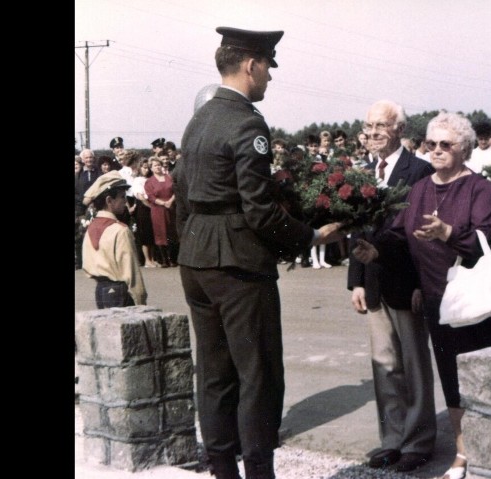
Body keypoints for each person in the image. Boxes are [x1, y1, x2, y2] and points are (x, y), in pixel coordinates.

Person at [176, 26, 343, 479]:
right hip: (238, 262)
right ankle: (259, 472)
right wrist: (309, 238)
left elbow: (184, 197)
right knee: (258, 374)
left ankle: (223, 470)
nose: (269, 76)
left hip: (197, 258)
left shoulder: (199, 119)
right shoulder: (246, 122)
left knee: (214, 373)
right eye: (268, 66)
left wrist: (190, 248)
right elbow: (260, 211)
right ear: (251, 64)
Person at [354, 111, 491, 479]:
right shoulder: (420, 189)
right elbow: (399, 233)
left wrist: (448, 233)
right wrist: (375, 251)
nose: (437, 151)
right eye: (431, 144)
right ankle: (463, 454)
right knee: (452, 378)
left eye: (446, 144)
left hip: (480, 303)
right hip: (439, 301)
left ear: (463, 148)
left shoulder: (478, 187)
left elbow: (487, 236)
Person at [347, 100, 437, 473]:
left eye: (381, 125)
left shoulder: (419, 170)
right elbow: (354, 225)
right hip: (373, 283)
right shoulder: (362, 171)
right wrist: (355, 281)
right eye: (369, 125)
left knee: (414, 364)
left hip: (406, 280)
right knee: (384, 364)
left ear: (400, 129)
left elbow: (422, 233)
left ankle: (418, 441)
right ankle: (393, 439)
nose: (373, 132)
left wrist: (421, 284)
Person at [81, 171, 147, 309]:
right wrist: (141, 303)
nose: (125, 201)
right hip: (121, 292)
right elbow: (131, 273)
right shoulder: (120, 230)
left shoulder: (91, 227)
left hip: (100, 290)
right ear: (109, 201)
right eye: (122, 197)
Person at [144, 156, 178, 268]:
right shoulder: (149, 181)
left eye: (159, 165)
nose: (158, 167)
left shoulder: (169, 178)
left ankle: (173, 259)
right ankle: (164, 260)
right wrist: (163, 203)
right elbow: (151, 197)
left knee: (172, 232)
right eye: (155, 165)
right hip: (158, 210)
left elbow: (176, 190)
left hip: (171, 208)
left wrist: (170, 201)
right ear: (151, 168)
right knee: (160, 233)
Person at [132, 158, 161, 267]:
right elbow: (140, 196)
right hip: (143, 208)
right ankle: (147, 260)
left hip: (151, 206)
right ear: (140, 168)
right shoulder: (138, 180)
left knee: (152, 234)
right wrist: (151, 206)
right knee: (145, 234)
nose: (146, 170)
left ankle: (152, 259)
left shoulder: (150, 179)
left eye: (148, 167)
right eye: (144, 167)